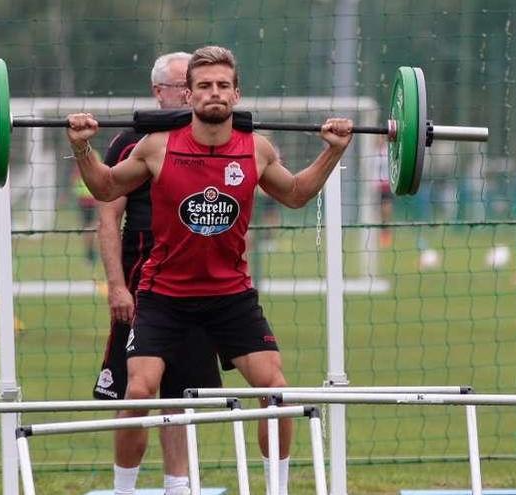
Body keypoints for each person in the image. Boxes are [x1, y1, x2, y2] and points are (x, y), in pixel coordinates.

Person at [66, 45, 354, 495]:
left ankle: (276, 490)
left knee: (276, 391)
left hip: (230, 297)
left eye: (223, 85)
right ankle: (124, 491)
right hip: (163, 296)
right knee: (139, 394)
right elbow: (104, 187)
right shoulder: (157, 147)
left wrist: (332, 152)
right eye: (204, 86)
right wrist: (82, 146)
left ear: (236, 94)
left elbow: (296, 194)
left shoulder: (256, 149)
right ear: (190, 94)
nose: (213, 93)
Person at [93, 52, 223, 495]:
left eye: (196, 86)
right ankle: (124, 488)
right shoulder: (131, 143)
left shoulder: (212, 138)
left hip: (195, 282)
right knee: (137, 392)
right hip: (140, 283)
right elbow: (108, 217)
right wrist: (115, 285)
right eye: (181, 87)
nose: (191, 96)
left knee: (183, 391)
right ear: (158, 92)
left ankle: (178, 486)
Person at [72, 163, 98, 264]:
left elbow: (75, 178)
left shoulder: (81, 156)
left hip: (89, 199)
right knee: (90, 227)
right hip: (88, 199)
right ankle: (90, 253)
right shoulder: (93, 155)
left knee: (89, 227)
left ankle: (90, 254)